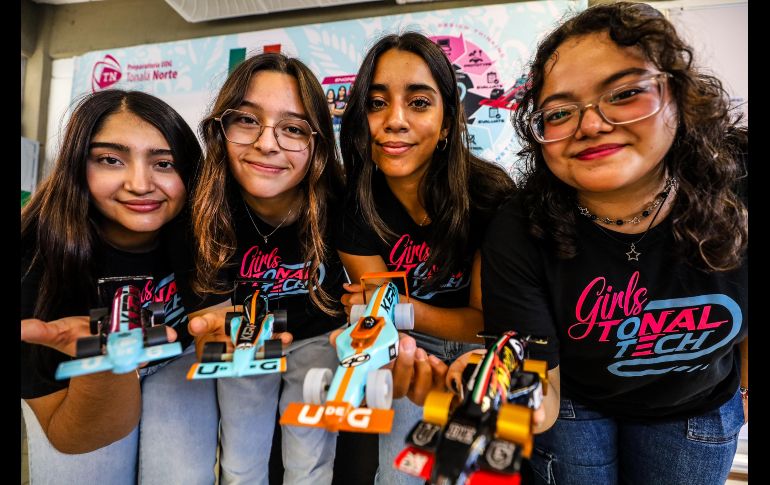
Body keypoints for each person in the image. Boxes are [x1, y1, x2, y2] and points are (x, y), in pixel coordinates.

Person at [480, 3, 748, 484]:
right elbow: (538, 398)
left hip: (696, 402)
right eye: (559, 112)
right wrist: (489, 392)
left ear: (679, 97)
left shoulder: (741, 183)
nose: (590, 125)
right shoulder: (518, 227)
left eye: (624, 93)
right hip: (576, 402)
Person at [336, 31, 515, 485]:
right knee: (402, 476)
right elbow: (381, 322)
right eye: (377, 103)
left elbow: (483, 322)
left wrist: (397, 309)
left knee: (478, 474)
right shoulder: (353, 208)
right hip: (411, 352)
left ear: (449, 121)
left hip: (485, 351)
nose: (394, 120)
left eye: (418, 102)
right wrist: (388, 313)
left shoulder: (490, 196)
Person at [20, 89, 219, 484]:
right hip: (77, 381)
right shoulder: (34, 259)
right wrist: (108, 365)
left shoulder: (204, 231)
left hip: (172, 359)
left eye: (164, 163)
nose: (140, 184)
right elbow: (70, 435)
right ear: (78, 165)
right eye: (111, 160)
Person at [186, 51, 346, 485]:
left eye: (292, 128)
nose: (267, 143)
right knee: (239, 463)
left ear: (317, 145)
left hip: (316, 339)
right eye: (247, 120)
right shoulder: (205, 205)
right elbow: (207, 316)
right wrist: (210, 333)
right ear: (221, 128)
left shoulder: (340, 202)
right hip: (244, 340)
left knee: (309, 463)